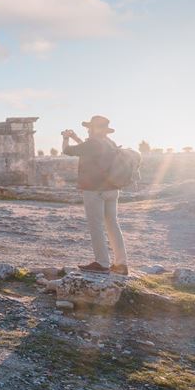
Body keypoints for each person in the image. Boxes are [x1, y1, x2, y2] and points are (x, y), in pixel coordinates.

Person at [62, 115, 128, 275]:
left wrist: (65, 138)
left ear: (94, 128)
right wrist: (76, 137)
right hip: (112, 189)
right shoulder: (109, 143)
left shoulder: (92, 143)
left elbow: (67, 151)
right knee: (113, 224)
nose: (88, 130)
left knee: (96, 226)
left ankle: (102, 263)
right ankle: (121, 264)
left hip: (94, 190)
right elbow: (87, 150)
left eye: (90, 127)